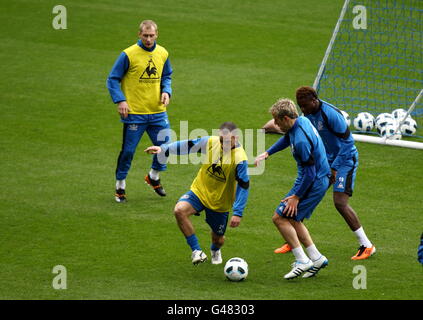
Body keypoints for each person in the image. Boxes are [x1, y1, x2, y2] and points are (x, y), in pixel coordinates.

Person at [145, 122, 250, 265]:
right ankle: (196, 251)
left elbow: (244, 186)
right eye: (221, 139)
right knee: (179, 210)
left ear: (235, 138)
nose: (223, 143)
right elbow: (189, 145)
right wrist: (164, 149)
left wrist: (238, 212)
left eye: (226, 140)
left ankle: (215, 250)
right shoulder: (212, 142)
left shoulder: (240, 159)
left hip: (219, 202)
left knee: (218, 239)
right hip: (199, 191)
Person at [255, 99, 330, 279]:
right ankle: (317, 258)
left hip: (312, 181)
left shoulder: (302, 141)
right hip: (315, 178)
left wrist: (296, 197)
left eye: (277, 120)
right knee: (294, 219)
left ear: (286, 118)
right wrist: (268, 153)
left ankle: (302, 260)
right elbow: (287, 138)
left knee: (280, 218)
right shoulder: (300, 122)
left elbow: (310, 174)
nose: (275, 124)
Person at [107, 20, 173, 202]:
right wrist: (120, 100)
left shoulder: (163, 53)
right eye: (145, 35)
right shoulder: (128, 54)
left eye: (152, 36)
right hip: (135, 113)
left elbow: (166, 75)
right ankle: (120, 186)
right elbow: (112, 79)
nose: (149, 39)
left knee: (166, 148)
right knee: (128, 151)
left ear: (157, 35)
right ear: (139, 34)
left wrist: (167, 91)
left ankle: (153, 176)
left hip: (158, 112)